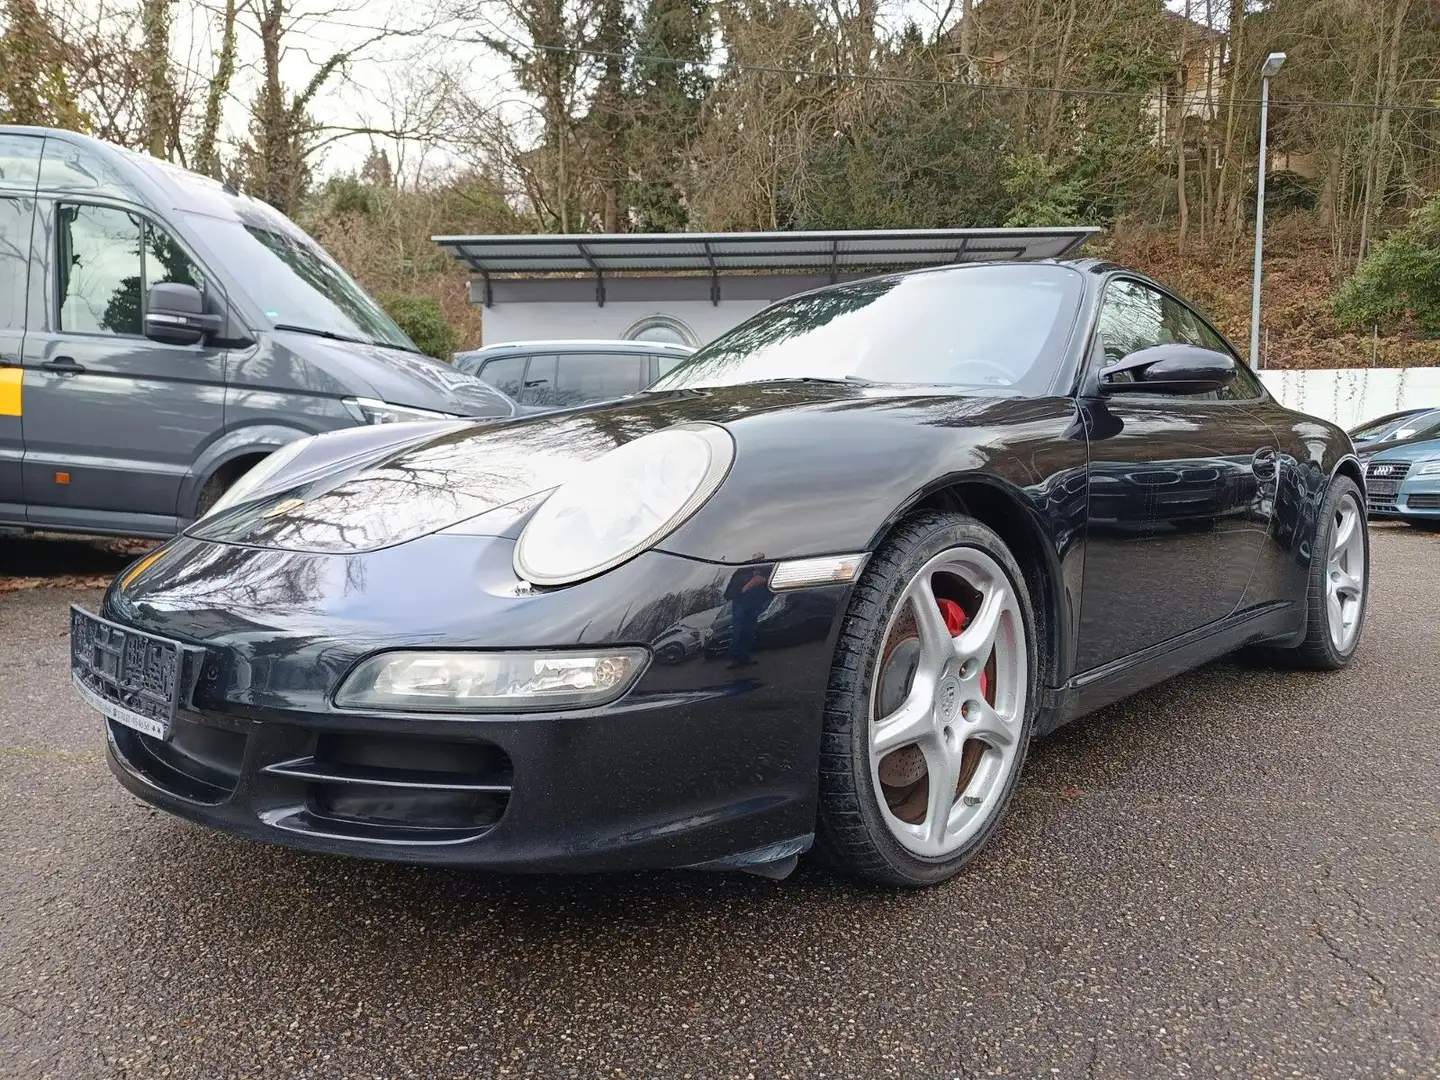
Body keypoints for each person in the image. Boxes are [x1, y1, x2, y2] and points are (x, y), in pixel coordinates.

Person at [722, 557, 772, 668]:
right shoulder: (741, 572)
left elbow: (774, 585)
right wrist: (749, 585)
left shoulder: (768, 569)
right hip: (741, 606)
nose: (758, 562)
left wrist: (764, 580)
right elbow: (728, 594)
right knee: (739, 632)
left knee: (749, 632)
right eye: (755, 559)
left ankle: (744, 657)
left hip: (756, 606)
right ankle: (733, 659)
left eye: (761, 558)